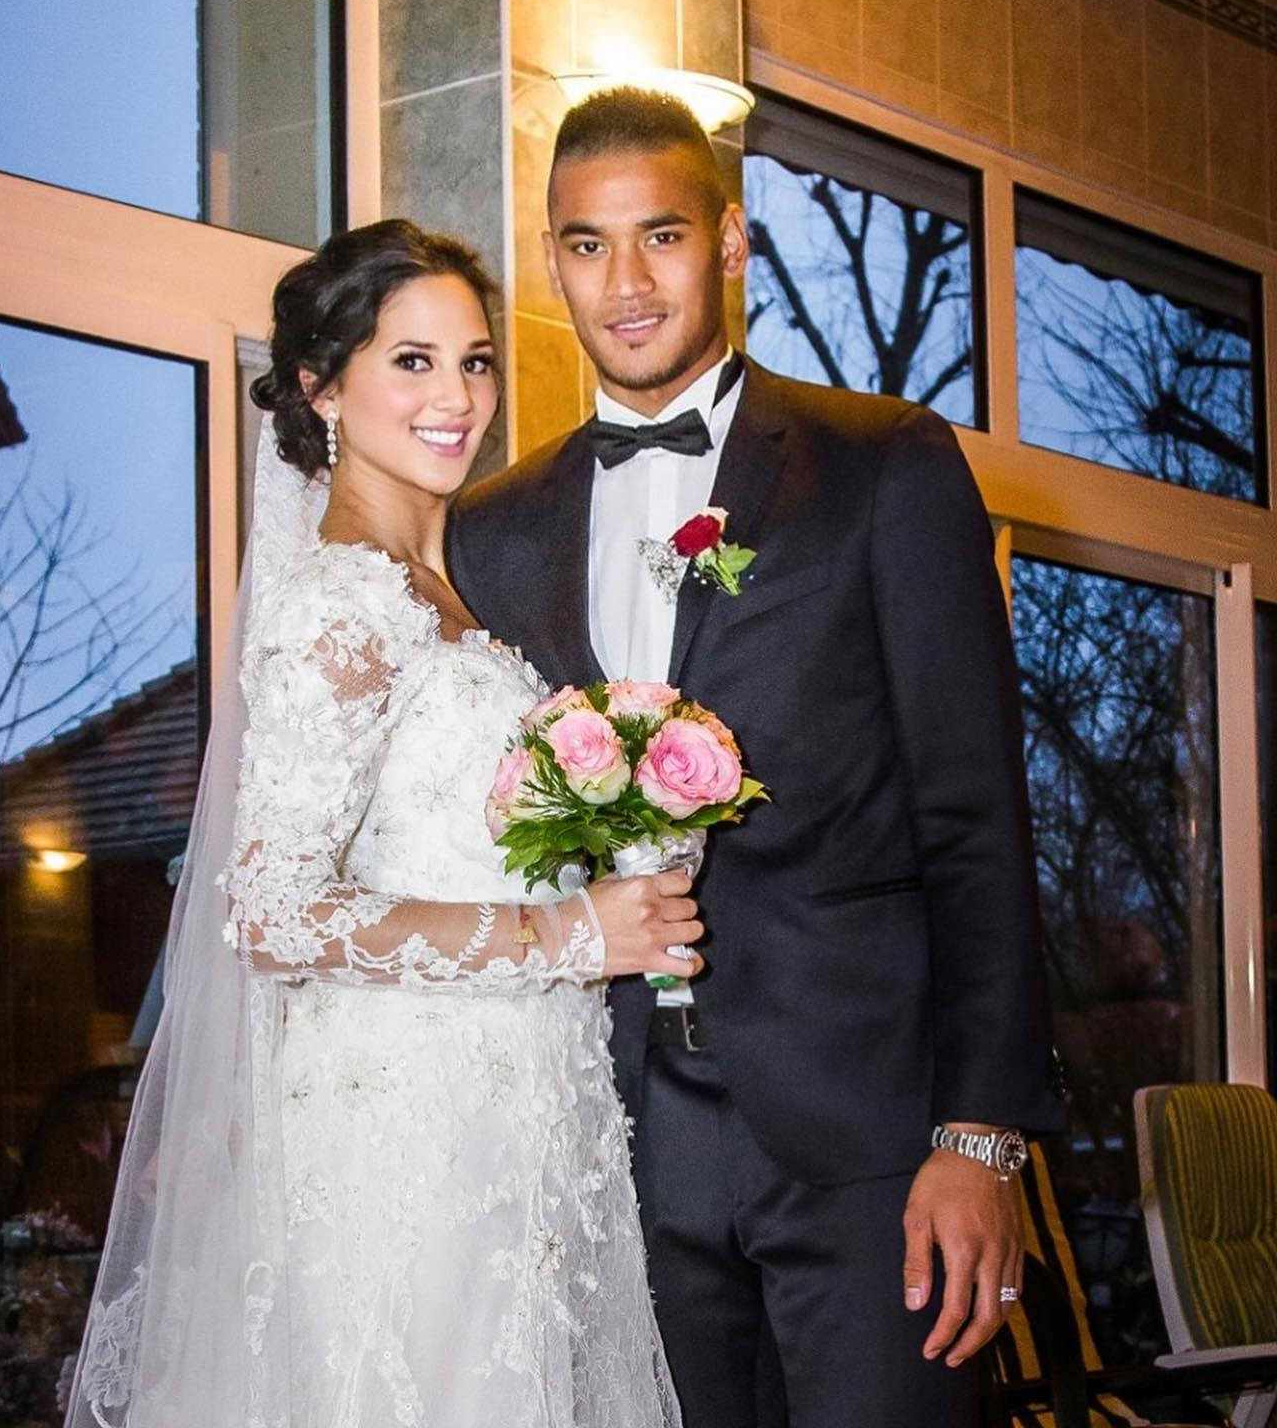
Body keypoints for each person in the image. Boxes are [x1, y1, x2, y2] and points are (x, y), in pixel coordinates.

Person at [447, 88, 1067, 1428]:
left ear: (729, 243)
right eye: (588, 245)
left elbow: (974, 816)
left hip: (869, 1143)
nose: (625, 283)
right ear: (551, 259)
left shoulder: (882, 466)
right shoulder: (488, 532)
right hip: (613, 1148)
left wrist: (978, 1138)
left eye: (660, 237)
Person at [64, 219, 699, 1428]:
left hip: (516, 1113)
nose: (457, 397)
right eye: (411, 361)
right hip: (408, 1132)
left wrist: (638, 835)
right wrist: (567, 934)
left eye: (474, 359)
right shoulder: (343, 603)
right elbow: (270, 910)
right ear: (321, 386)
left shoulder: (446, 592)